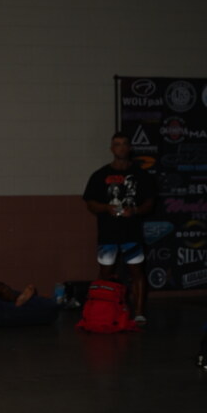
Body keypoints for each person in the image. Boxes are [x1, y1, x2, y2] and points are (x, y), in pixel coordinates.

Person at [83, 133, 156, 323]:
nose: (121, 147)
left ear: (130, 148)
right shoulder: (100, 175)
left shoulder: (141, 175)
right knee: (105, 273)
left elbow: (150, 203)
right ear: (111, 149)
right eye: (117, 144)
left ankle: (139, 313)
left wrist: (135, 211)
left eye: (124, 144)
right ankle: (103, 311)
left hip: (132, 233)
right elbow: (90, 203)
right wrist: (106, 208)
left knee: (136, 272)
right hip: (108, 234)